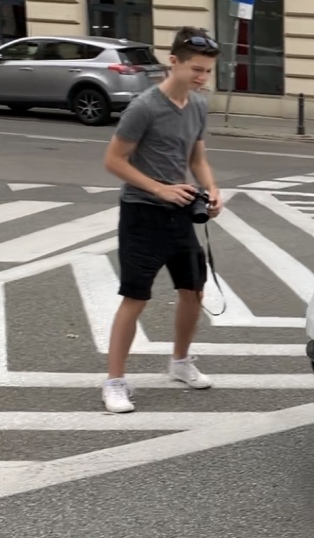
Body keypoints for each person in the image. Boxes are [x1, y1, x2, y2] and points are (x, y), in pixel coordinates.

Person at [100, 26, 223, 413]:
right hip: (142, 213)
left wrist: (213, 190)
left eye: (207, 71)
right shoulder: (145, 107)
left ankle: (180, 363)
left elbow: (196, 159)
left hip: (181, 212)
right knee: (135, 298)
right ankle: (115, 382)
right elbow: (113, 161)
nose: (202, 78)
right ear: (174, 62)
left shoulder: (199, 105)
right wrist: (159, 188)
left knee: (193, 291)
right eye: (196, 70)